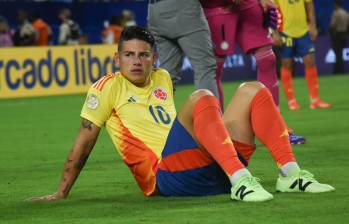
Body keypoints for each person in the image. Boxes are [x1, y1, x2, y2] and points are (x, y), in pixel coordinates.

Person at [29, 26, 334, 203]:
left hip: (210, 171)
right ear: (117, 58)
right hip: (166, 178)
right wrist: (60, 193)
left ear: (154, 58)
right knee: (203, 96)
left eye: (143, 54)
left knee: (253, 89)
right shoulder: (107, 87)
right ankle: (241, 180)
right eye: (128, 54)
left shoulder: (162, 78)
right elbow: (84, 143)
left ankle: (290, 174)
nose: (136, 61)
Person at [200, 0, 305, 145]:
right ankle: (219, 131)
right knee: (212, 70)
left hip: (247, 5)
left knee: (267, 60)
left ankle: (275, 128)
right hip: (217, 7)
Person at [147, 0, 219, 99]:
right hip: (183, 9)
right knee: (204, 67)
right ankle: (209, 114)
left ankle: (158, 113)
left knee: (167, 74)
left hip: (155, 10)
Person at [273, 0, 331, 110]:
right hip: (285, 31)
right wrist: (274, 32)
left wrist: (313, 26)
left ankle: (315, 100)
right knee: (287, 64)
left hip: (303, 31)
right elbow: (272, 10)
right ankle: (292, 101)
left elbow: (309, 6)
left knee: (310, 61)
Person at [329, 0, 349, 74]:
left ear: (336, 5)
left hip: (337, 35)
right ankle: (341, 70)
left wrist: (330, 32)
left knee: (338, 54)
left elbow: (332, 25)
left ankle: (338, 71)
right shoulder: (346, 13)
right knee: (340, 53)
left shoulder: (336, 13)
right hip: (344, 35)